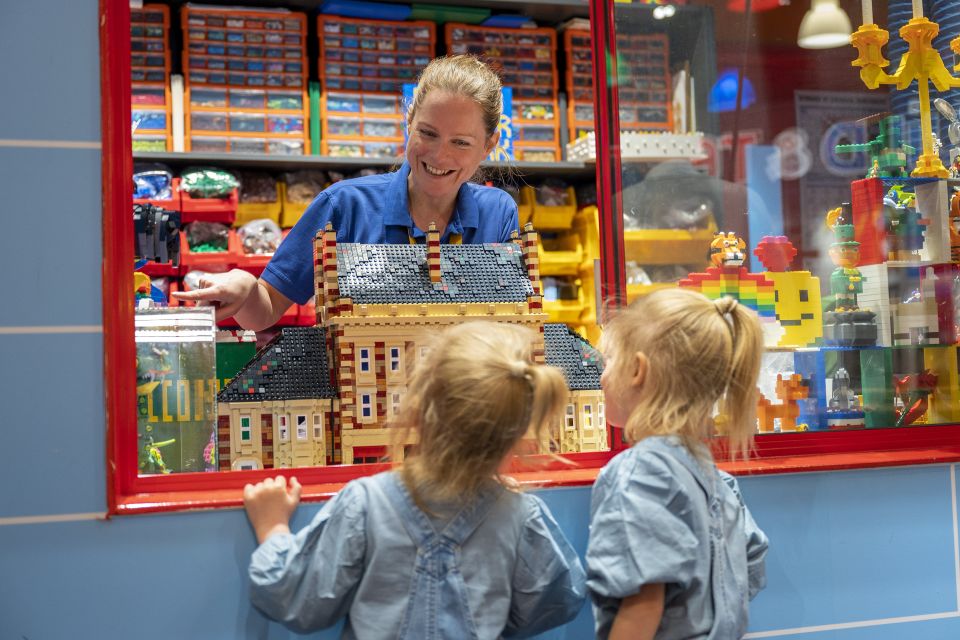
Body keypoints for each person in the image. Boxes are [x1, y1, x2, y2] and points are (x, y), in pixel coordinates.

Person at [242, 322, 587, 638]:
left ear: (417, 411)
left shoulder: (365, 503)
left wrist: (273, 529)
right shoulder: (520, 516)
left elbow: (296, 599)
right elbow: (561, 597)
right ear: (514, 437)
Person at [174, 55, 519, 330]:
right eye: (427, 133)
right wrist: (247, 287)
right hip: (362, 405)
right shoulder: (344, 205)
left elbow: (512, 324)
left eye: (460, 142)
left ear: (489, 145)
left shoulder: (498, 213)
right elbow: (265, 311)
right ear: (409, 121)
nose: (439, 155)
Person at [586, 289, 769, 640]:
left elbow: (642, 605)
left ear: (638, 369)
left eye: (607, 360)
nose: (601, 376)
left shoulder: (640, 474)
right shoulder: (712, 476)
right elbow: (751, 566)